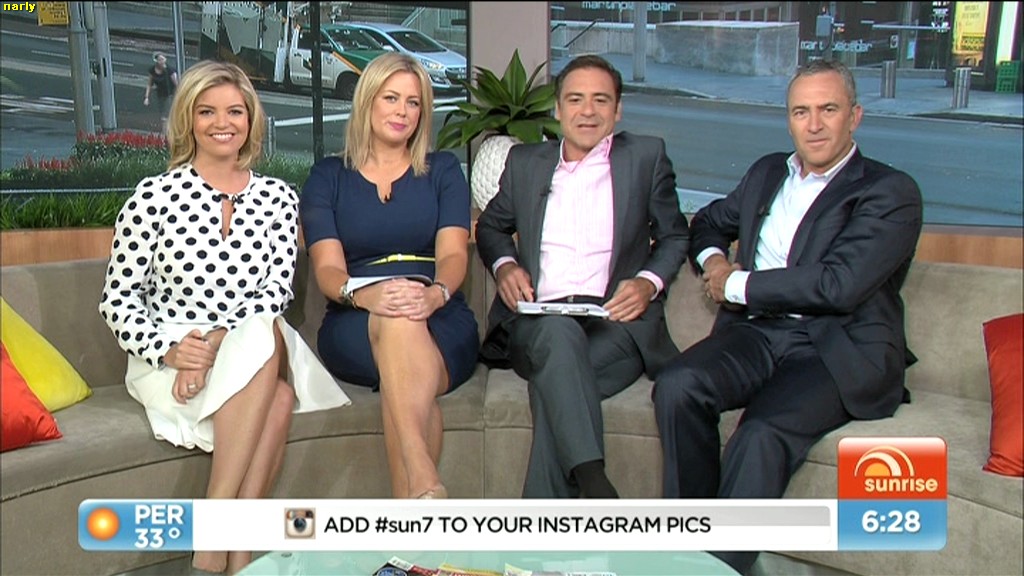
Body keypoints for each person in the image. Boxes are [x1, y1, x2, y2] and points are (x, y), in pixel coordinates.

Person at [653, 59, 923, 574]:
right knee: (677, 384)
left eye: (828, 110)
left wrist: (737, 285)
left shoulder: (890, 191)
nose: (814, 124)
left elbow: (839, 284)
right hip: (759, 332)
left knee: (762, 432)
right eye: (801, 112)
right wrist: (715, 262)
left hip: (836, 348)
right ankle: (686, 545)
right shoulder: (768, 172)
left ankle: (718, 568)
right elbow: (707, 223)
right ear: (789, 119)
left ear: (855, 116)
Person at [99, 60, 351, 575]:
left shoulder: (278, 198)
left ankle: (217, 549)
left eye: (235, 111)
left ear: (250, 120)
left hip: (245, 342)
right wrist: (171, 351)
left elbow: (275, 292)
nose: (222, 123)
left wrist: (216, 346)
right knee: (277, 396)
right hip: (171, 352)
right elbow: (118, 298)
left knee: (262, 332)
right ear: (188, 121)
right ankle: (235, 553)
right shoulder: (153, 197)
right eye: (207, 111)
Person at [475, 54, 690, 499]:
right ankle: (594, 482)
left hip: (616, 325)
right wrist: (506, 266)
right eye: (575, 100)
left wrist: (647, 282)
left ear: (618, 109)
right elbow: (491, 227)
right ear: (558, 109)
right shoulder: (526, 162)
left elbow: (674, 236)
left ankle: (558, 523)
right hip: (538, 321)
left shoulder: (645, 157)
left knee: (555, 388)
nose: (587, 111)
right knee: (557, 337)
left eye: (600, 100)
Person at [300, 52, 479, 500]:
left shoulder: (443, 170)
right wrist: (365, 296)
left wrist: (436, 294)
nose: (402, 111)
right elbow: (328, 269)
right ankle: (422, 476)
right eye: (391, 98)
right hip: (354, 315)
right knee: (396, 317)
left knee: (403, 323)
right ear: (367, 102)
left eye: (413, 103)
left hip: (439, 312)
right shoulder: (327, 176)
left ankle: (413, 504)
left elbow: (453, 254)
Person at [144, 52, 178, 125]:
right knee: (161, 112)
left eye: (163, 59)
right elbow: (149, 84)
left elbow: (176, 84)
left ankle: (166, 128)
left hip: (170, 94)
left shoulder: (169, 70)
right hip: (160, 94)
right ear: (156, 61)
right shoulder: (152, 70)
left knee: (166, 113)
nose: (161, 62)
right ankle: (164, 125)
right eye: (159, 60)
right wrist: (147, 97)